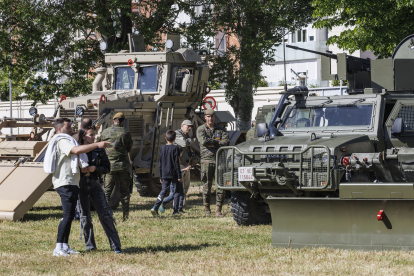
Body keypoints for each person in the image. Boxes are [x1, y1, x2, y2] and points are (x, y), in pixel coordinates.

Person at [43, 118, 110, 257]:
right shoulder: (62, 140)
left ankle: (65, 246)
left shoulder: (66, 139)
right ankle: (58, 248)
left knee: (70, 215)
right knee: (67, 215)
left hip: (71, 182)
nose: (71, 129)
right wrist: (97, 145)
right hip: (65, 182)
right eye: (68, 127)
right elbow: (75, 150)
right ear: (60, 129)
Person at [77, 127, 122, 253]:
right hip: (80, 186)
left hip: (95, 184)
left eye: (94, 135)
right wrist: (80, 171)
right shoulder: (77, 150)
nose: (94, 137)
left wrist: (95, 168)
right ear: (83, 136)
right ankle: (90, 247)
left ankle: (116, 247)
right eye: (91, 135)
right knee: (85, 218)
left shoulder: (99, 151)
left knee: (105, 215)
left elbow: (107, 168)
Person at [97, 112, 133, 221]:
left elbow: (100, 146)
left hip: (109, 167)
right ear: (123, 121)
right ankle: (125, 217)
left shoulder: (105, 132)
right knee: (125, 192)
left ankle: (104, 216)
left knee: (106, 192)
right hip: (123, 166)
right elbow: (129, 148)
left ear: (113, 120)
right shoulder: (125, 133)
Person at [196, 108, 229, 216]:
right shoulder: (201, 129)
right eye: (208, 116)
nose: (210, 119)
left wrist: (212, 143)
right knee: (207, 186)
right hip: (206, 161)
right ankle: (207, 210)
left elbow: (226, 142)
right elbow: (203, 141)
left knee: (220, 186)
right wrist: (217, 142)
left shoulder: (221, 130)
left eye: (212, 116)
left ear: (215, 117)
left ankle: (218, 210)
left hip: (220, 161)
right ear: (205, 117)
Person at [160, 120, 194, 211]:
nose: (189, 128)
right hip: (179, 165)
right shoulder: (177, 134)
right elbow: (184, 143)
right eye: (188, 126)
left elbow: (187, 144)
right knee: (176, 190)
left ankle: (181, 207)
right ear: (182, 125)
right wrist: (192, 140)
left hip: (186, 164)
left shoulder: (186, 136)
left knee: (185, 187)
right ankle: (172, 206)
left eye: (191, 126)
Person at [150, 130, 183, 216]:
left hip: (164, 173)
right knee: (176, 192)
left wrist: (160, 176)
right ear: (175, 139)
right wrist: (179, 176)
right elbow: (176, 163)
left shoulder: (162, 148)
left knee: (163, 190)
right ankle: (175, 211)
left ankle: (155, 207)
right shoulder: (175, 148)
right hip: (174, 173)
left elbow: (160, 163)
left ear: (165, 138)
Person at [159, 145, 191, 213]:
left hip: (179, 178)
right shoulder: (174, 159)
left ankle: (180, 208)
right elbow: (176, 170)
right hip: (174, 179)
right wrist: (184, 170)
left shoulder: (177, 158)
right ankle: (163, 202)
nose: (181, 154)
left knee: (182, 193)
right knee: (174, 194)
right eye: (181, 153)